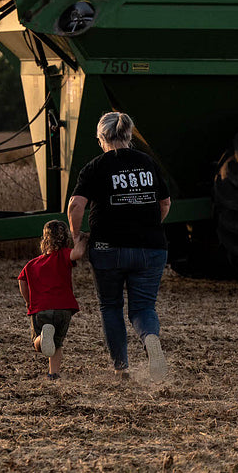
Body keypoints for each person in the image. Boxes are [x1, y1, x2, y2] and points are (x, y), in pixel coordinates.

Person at [67, 111, 171, 380]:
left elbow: (76, 205)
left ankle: (121, 367)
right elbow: (165, 203)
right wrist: (148, 227)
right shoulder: (148, 162)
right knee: (143, 307)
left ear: (102, 138)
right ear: (129, 135)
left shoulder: (96, 166)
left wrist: (76, 237)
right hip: (151, 248)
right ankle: (150, 339)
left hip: (107, 249)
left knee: (111, 306)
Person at [17, 219, 86, 380]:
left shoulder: (32, 264)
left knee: (38, 343)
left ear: (44, 240)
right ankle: (53, 374)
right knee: (57, 343)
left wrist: (28, 301)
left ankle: (42, 338)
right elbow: (78, 253)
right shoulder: (64, 255)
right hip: (63, 309)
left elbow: (22, 281)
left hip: (41, 309)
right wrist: (82, 239)